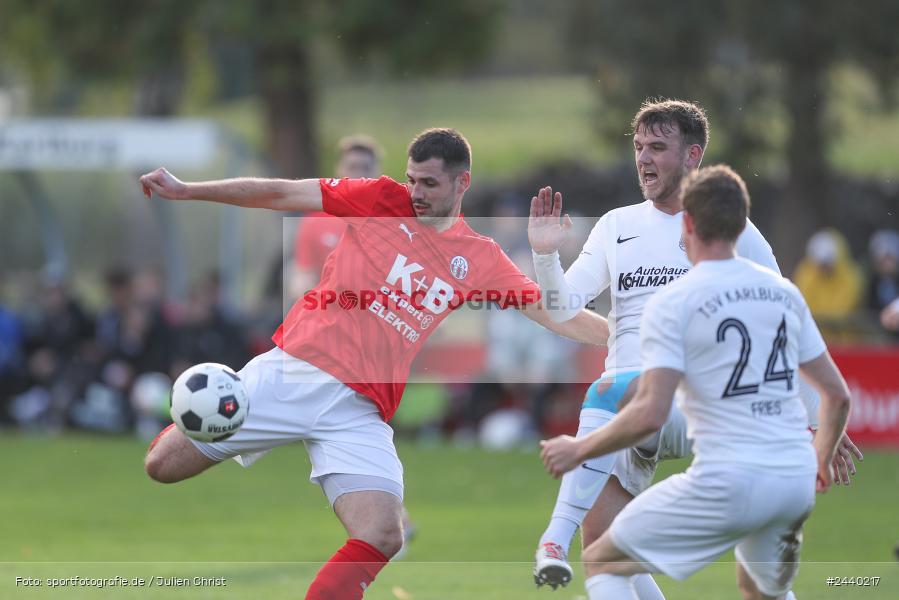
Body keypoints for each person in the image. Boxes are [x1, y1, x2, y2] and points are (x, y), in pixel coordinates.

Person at [139, 128, 610, 600]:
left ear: (462, 183)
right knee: (161, 466)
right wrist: (188, 190)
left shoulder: (480, 258)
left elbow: (555, 313)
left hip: (358, 411)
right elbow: (282, 191)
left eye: (430, 184)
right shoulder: (381, 199)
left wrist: (639, 340)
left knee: (383, 533)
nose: (416, 194)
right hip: (296, 371)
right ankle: (211, 402)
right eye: (413, 181)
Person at [527, 99, 861, 593]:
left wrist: (817, 420)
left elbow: (777, 327)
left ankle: (552, 537)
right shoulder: (618, 224)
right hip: (658, 424)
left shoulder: (735, 234)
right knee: (611, 550)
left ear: (692, 156)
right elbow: (559, 305)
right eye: (638, 147)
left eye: (658, 147)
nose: (643, 158)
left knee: (606, 396)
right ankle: (561, 538)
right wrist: (545, 254)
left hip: (673, 408)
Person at [289, 135, 383, 300]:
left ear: (377, 172)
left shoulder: (393, 221)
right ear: (339, 170)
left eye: (365, 167)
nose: (359, 174)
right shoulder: (315, 221)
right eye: (353, 167)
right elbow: (303, 273)